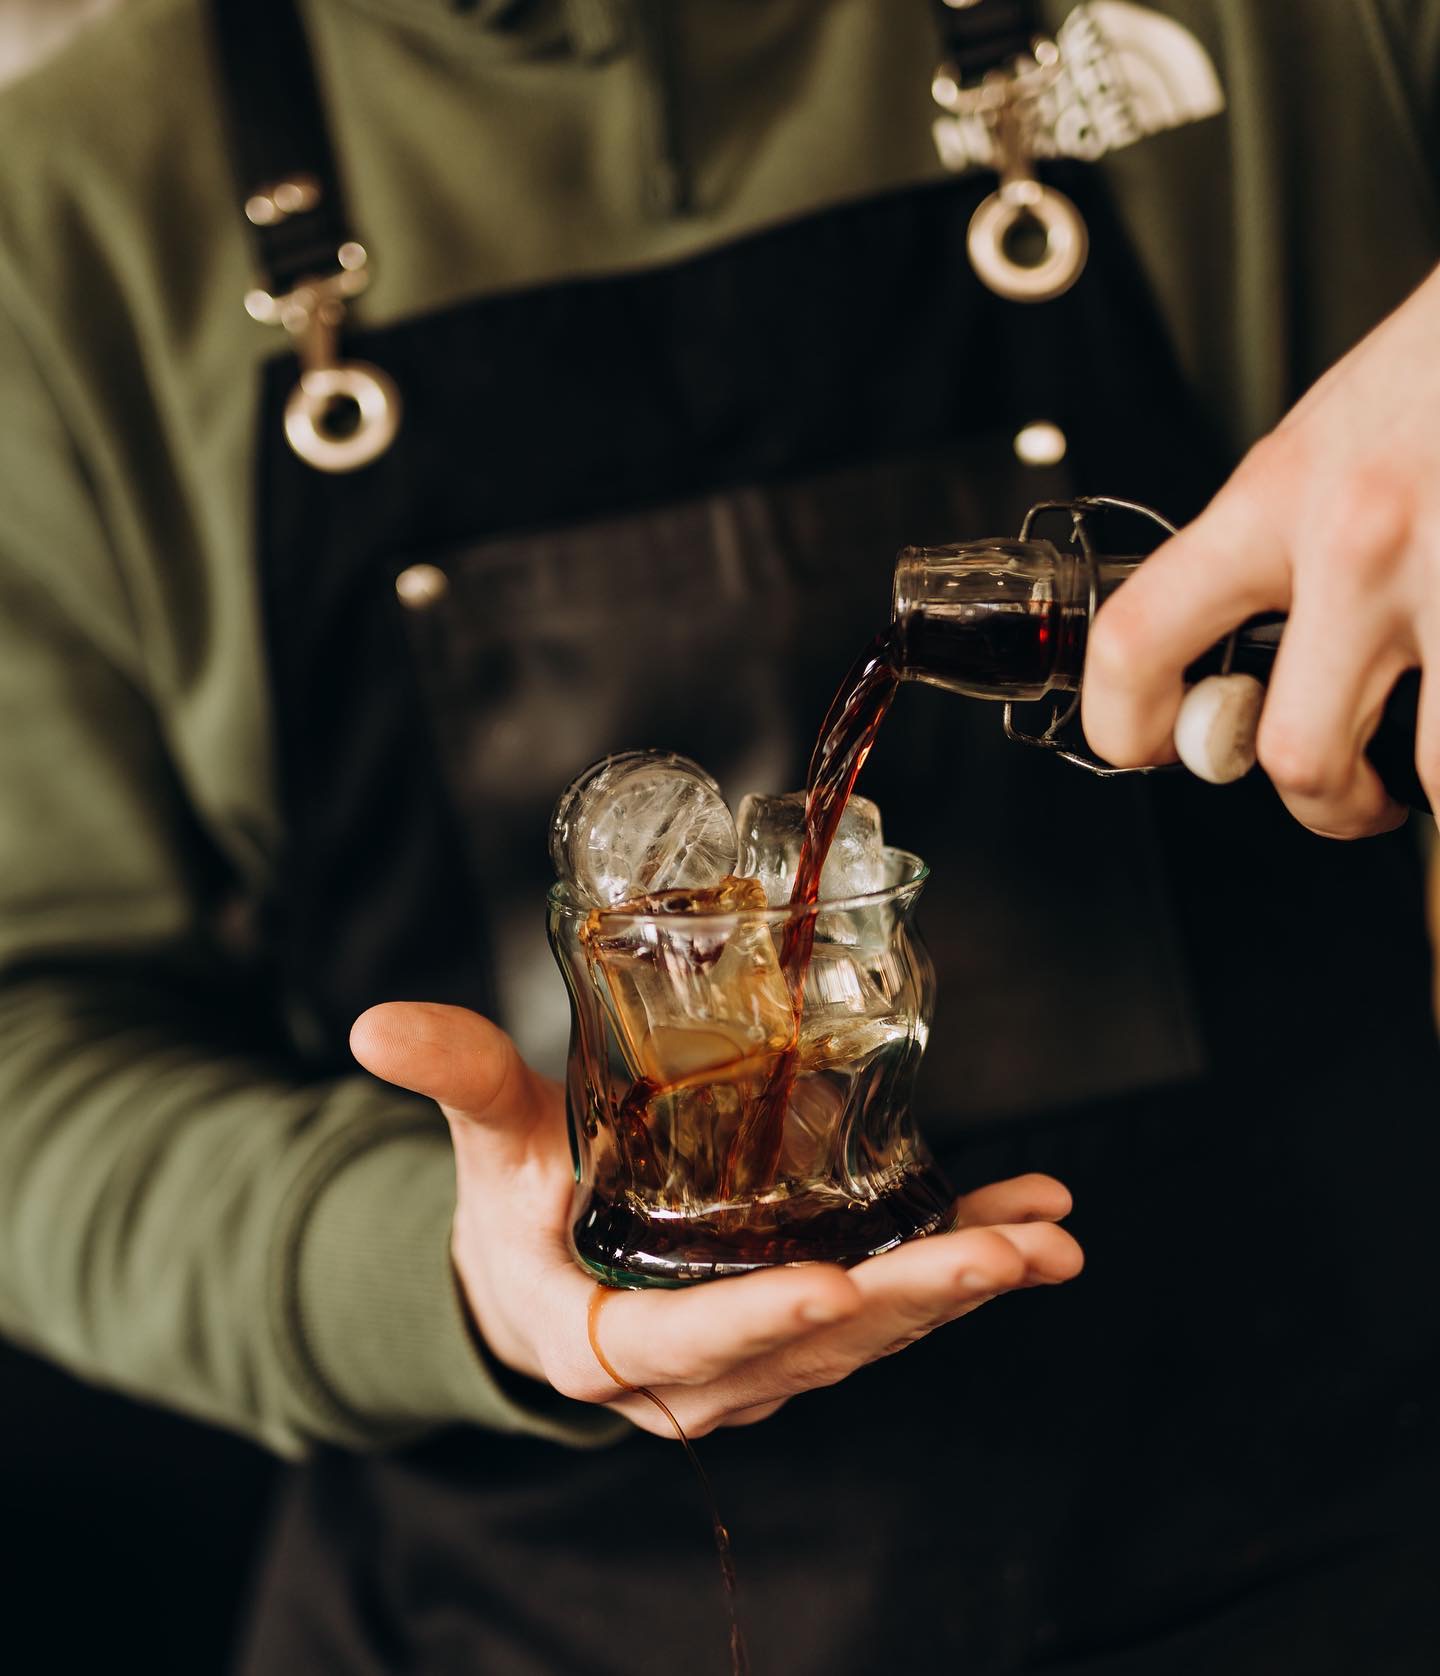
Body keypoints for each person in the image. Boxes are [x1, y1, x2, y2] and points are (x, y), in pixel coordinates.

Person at [0, 2, 1437, 1672]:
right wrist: (435, 1279)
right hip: (518, 1613)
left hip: (1326, 1532)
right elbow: (31, 1048)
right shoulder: (67, 215)